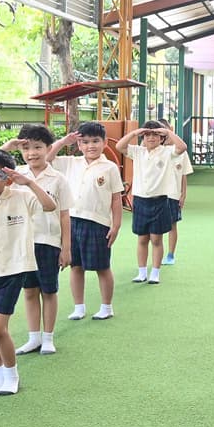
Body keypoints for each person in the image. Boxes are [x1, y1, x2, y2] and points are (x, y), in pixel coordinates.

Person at [0, 149, 56, 395]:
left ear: (8, 178)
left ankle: (12, 375)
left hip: (14, 269)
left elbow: (50, 206)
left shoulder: (21, 196)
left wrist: (28, 182)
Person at [5, 125, 72, 356]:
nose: (31, 153)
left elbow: (64, 215)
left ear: (48, 149)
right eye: (26, 148)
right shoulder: (14, 175)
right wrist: (8, 147)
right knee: (30, 291)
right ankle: (33, 338)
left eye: (37, 147)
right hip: (22, 242)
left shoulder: (58, 179)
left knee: (48, 291)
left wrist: (66, 248)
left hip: (49, 241)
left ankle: (48, 338)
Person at [52, 122, 123, 320]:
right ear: (79, 144)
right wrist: (63, 141)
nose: (90, 146)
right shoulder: (71, 162)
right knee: (75, 266)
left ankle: (106, 307)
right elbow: (48, 158)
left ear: (105, 142)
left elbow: (116, 198)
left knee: (102, 266)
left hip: (98, 223)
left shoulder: (109, 167)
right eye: (85, 142)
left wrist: (116, 225)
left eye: (95, 141)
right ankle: (79, 307)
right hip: (72, 221)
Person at [117, 119, 188, 284]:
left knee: (156, 239)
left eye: (155, 135)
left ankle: (155, 272)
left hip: (160, 201)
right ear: (143, 137)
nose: (151, 138)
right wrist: (135, 133)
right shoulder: (138, 152)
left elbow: (182, 147)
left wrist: (169, 132)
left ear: (161, 137)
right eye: (148, 134)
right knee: (142, 239)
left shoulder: (167, 152)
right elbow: (119, 146)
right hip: (141, 201)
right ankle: (142, 272)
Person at [163, 142, 192, 265]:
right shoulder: (156, 150)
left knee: (172, 225)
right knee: (154, 230)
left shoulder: (181, 152)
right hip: (157, 194)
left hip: (173, 195)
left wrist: (183, 194)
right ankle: (155, 255)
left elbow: (184, 174)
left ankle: (170, 254)